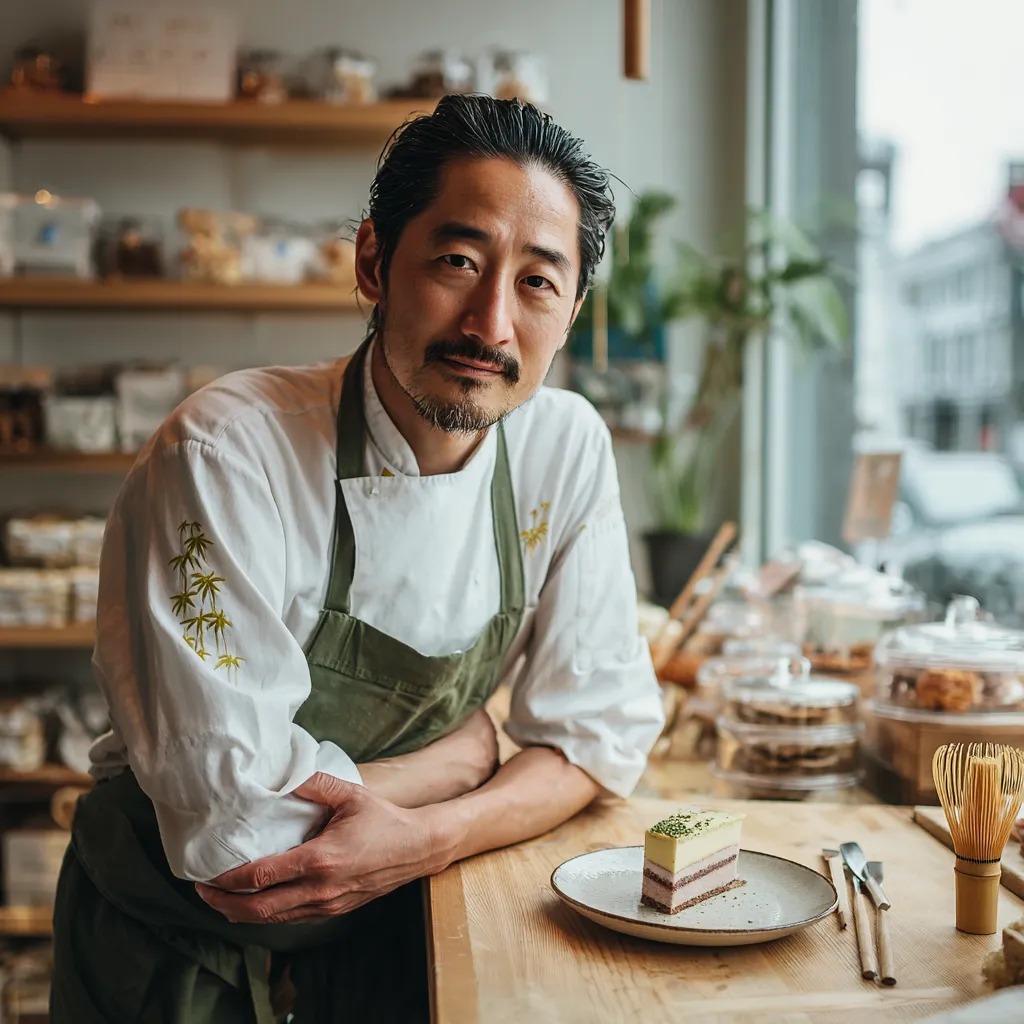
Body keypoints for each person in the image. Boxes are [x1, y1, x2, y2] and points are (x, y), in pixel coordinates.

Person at [51, 94, 664, 1023]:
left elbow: (596, 741)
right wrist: (463, 758)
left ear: (572, 311)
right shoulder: (224, 454)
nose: (490, 324)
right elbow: (239, 838)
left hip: (392, 925)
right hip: (172, 943)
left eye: (537, 282)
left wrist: (427, 837)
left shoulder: (563, 447)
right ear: (374, 261)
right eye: (458, 261)